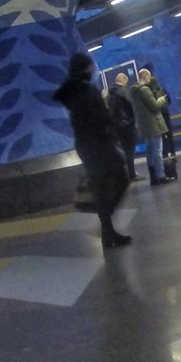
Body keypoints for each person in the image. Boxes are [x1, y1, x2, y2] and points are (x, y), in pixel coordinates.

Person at [53, 53, 131, 248]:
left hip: (85, 145)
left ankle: (107, 232)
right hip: (99, 144)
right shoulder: (86, 90)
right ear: (86, 68)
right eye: (91, 66)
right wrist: (115, 126)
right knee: (120, 179)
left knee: (101, 187)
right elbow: (100, 117)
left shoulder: (72, 91)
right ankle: (106, 227)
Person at [129, 70, 173, 185]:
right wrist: (162, 99)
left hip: (144, 126)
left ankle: (153, 176)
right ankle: (161, 176)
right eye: (149, 77)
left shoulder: (134, 91)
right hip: (153, 124)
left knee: (149, 152)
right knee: (158, 151)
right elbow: (154, 106)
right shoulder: (144, 90)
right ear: (145, 76)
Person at [108, 72, 140, 182]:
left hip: (117, 126)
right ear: (124, 81)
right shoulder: (124, 92)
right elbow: (132, 107)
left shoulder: (109, 95)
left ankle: (125, 174)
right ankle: (132, 174)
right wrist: (134, 120)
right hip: (128, 125)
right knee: (130, 150)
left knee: (124, 150)